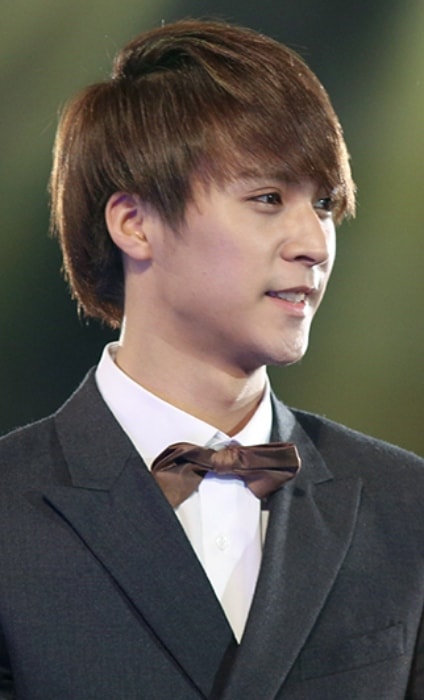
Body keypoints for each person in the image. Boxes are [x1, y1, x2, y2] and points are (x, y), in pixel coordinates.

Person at [0, 18, 422, 700]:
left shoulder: (405, 503)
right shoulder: (9, 509)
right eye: (267, 198)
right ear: (134, 223)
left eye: (323, 203)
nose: (315, 243)